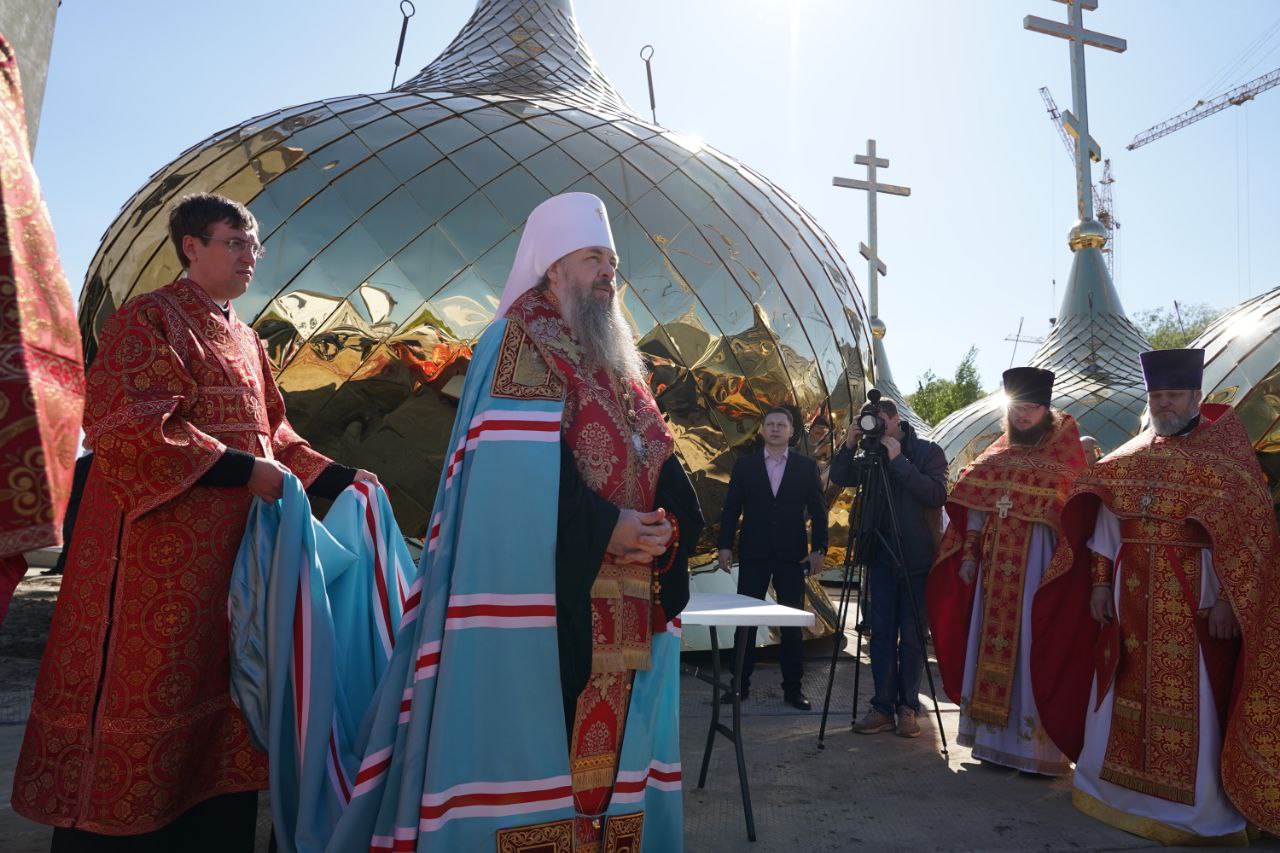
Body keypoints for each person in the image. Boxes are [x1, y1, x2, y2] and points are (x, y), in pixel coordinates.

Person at [256, 192, 703, 851]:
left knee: (607, 767)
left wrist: (667, 523)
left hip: (625, 598)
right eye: (592, 259)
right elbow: (512, 475)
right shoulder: (518, 339)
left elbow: (656, 447)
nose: (609, 273)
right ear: (553, 268)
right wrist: (608, 526)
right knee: (539, 754)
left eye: (611, 261)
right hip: (550, 596)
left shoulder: (614, 352)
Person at [11, 193, 379, 850]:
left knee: (229, 701)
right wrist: (244, 471)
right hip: (151, 572)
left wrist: (342, 478)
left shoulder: (247, 338)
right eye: (236, 242)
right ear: (192, 247)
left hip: (232, 572)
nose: (251, 256)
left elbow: (275, 434)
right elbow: (130, 426)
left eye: (255, 244)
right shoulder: (146, 320)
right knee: (148, 700)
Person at [1033, 349, 1280, 844]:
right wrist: (1100, 583)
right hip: (1129, 601)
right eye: (1157, 396)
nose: (1164, 404)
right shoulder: (1127, 459)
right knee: (1121, 686)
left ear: (1195, 397)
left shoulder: (1227, 465)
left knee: (1196, 706)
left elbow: (1245, 544)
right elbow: (1105, 524)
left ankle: (1197, 810)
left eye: (1173, 395)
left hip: (1195, 608)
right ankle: (1115, 793)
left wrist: (1230, 603)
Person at [926, 368, 1085, 768]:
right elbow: (976, 509)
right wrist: (967, 556)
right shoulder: (996, 457)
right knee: (988, 646)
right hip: (993, 573)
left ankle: (1033, 750)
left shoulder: (1064, 463)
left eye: (1031, 408)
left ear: (1046, 411)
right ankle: (990, 741)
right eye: (1017, 408)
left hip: (1037, 572)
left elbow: (1076, 523)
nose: (1023, 416)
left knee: (1033, 646)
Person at [833, 397, 947, 737]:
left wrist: (898, 461)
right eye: (871, 419)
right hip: (879, 557)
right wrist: (849, 444)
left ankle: (907, 706)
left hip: (916, 559)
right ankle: (881, 706)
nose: (877, 425)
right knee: (880, 634)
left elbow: (936, 494)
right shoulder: (868, 453)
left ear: (896, 419)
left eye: (882, 418)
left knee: (912, 638)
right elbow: (840, 476)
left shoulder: (927, 451)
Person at [717, 406, 828, 711]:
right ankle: (739, 686)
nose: (776, 428)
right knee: (746, 622)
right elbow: (731, 509)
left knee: (790, 623)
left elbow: (819, 512)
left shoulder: (806, 468)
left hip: (792, 556)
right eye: (771, 424)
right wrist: (724, 545)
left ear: (792, 432)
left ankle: (793, 689)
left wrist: (819, 549)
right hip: (754, 553)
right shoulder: (745, 466)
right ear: (763, 430)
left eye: (782, 425)